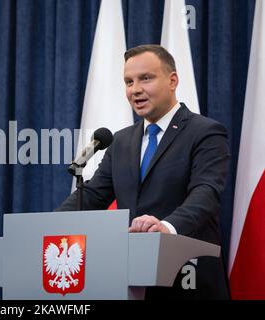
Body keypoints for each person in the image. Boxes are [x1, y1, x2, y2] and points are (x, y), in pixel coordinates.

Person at [56, 44, 230, 299]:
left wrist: (167, 227)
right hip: (132, 282)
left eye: (145, 78)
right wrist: (47, 226)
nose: (135, 89)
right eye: (128, 81)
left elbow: (206, 194)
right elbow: (91, 196)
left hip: (188, 280)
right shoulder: (121, 141)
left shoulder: (205, 132)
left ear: (172, 81)